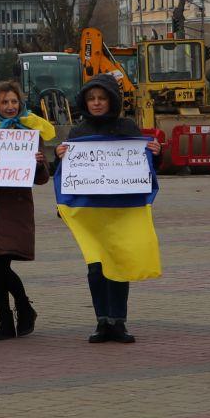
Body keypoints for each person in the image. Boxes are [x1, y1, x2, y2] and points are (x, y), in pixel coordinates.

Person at [55, 73, 161, 343]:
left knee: (120, 263)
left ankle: (119, 321)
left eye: (102, 98)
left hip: (122, 210)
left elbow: (145, 171)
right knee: (96, 266)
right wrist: (60, 159)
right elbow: (65, 173)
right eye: (92, 99)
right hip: (90, 213)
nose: (97, 103)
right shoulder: (78, 132)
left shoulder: (127, 129)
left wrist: (155, 153)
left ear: (112, 100)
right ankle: (102, 320)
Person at [0, 79, 51, 339]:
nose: (10, 106)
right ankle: (7, 319)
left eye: (14, 101)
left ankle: (22, 308)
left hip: (13, 208)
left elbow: (42, 178)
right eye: (4, 102)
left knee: (1, 264)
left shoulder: (30, 132)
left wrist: (38, 163)